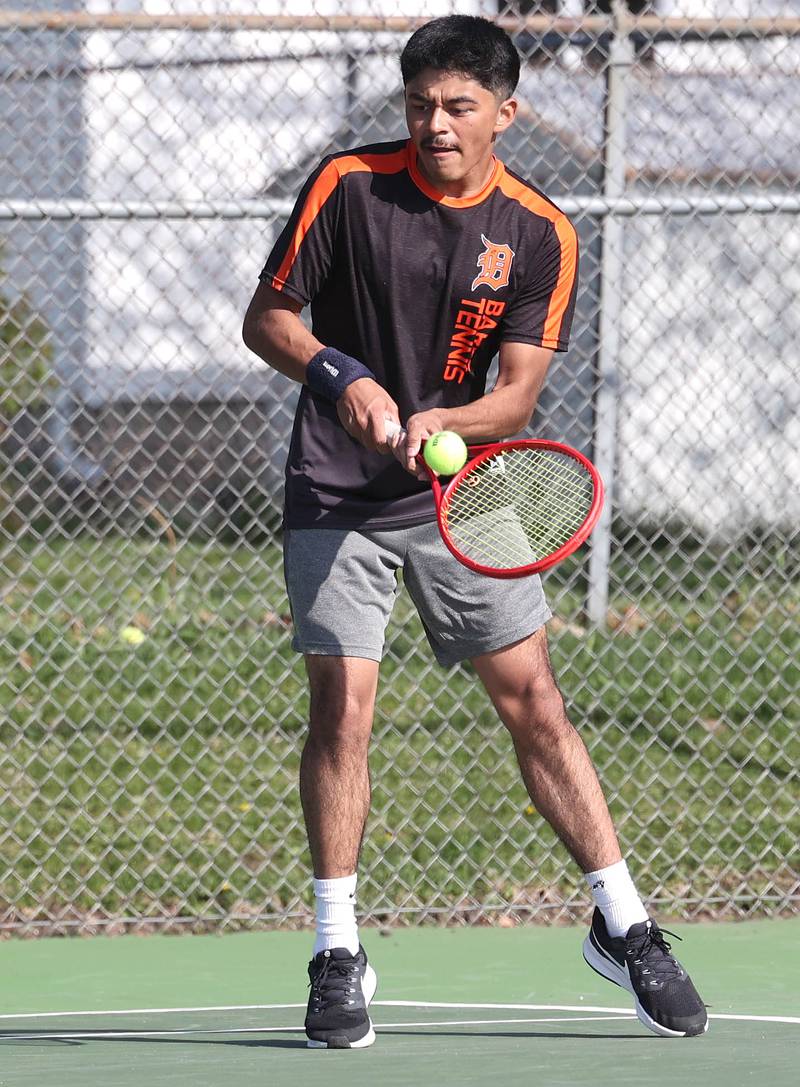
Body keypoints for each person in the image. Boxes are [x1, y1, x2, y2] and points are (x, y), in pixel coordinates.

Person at [243, 14, 706, 1050]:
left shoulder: (539, 231)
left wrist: (445, 422)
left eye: (457, 108)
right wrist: (345, 378)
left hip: (471, 487)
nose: (435, 126)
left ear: (506, 112)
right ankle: (335, 949)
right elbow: (269, 320)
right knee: (343, 705)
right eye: (419, 106)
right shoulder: (347, 185)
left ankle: (621, 923)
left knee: (534, 701)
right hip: (335, 486)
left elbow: (516, 394)